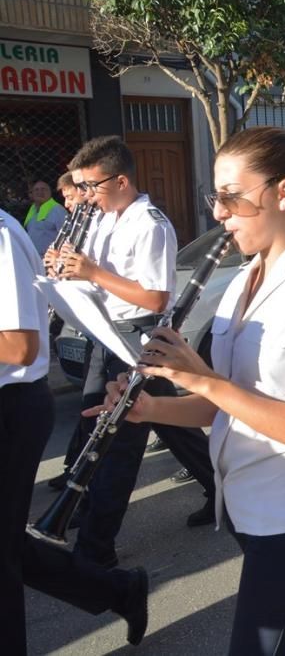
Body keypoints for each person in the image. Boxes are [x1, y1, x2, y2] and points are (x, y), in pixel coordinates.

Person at [88, 126, 285, 655]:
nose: (219, 213)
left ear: (283, 193)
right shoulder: (246, 277)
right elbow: (220, 405)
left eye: (231, 197)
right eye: (216, 197)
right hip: (246, 504)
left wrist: (201, 376)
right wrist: (150, 407)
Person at [46, 136, 213, 566]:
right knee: (139, 422)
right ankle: (218, 486)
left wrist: (92, 271)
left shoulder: (150, 223)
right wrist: (65, 271)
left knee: (119, 439)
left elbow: (157, 298)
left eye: (92, 187)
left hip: (139, 335)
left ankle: (97, 547)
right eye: (81, 188)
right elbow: (95, 281)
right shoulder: (105, 217)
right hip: (108, 330)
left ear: (121, 180)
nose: (84, 197)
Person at [1, 207, 148, 653]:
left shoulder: (1, 236)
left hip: (10, 407)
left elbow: (19, 344)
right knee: (8, 545)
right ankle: (116, 591)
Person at [23, 179, 68, 256]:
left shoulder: (58, 210)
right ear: (32, 194)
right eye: (36, 190)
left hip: (50, 260)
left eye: (43, 189)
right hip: (33, 259)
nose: (40, 192)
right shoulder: (32, 210)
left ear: (50, 192)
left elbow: (67, 236)